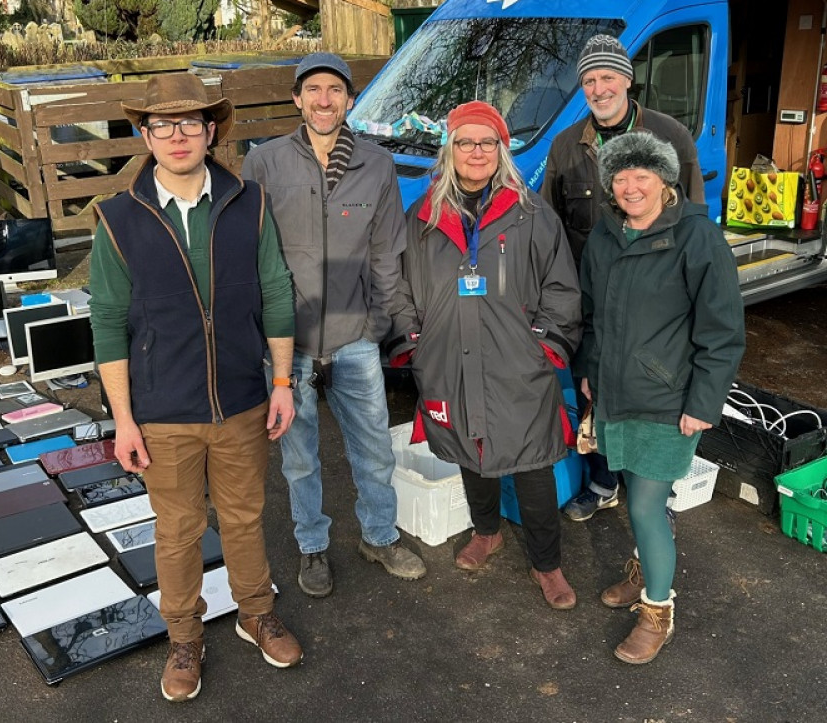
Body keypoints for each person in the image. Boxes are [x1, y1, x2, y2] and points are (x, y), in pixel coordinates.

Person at [89, 72, 302, 702]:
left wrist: (283, 382)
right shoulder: (118, 218)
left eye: (190, 124)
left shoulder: (249, 202)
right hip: (162, 410)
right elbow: (106, 320)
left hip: (241, 399)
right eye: (163, 125)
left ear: (212, 132)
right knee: (177, 529)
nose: (177, 136)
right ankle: (184, 636)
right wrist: (123, 419)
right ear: (145, 135)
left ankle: (254, 612)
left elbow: (276, 294)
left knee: (244, 516)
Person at [241, 52, 426, 598]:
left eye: (335, 91)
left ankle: (379, 535)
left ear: (349, 100)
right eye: (313, 89)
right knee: (299, 458)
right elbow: (248, 252)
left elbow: (386, 253)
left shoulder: (376, 164)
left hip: (353, 338)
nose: (325, 100)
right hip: (287, 343)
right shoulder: (266, 163)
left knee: (372, 448)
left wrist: (377, 325)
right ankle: (312, 547)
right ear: (297, 99)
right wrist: (261, 331)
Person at [390, 100, 582, 610]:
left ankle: (548, 565)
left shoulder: (532, 213)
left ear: (502, 149)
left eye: (487, 142)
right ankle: (487, 532)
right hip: (450, 357)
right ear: (449, 151)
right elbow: (398, 286)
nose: (476, 152)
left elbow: (562, 289)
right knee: (469, 448)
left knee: (533, 462)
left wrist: (544, 346)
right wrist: (416, 343)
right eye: (465, 142)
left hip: (518, 362)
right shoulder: (424, 215)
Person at [577, 130, 744, 663]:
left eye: (641, 174)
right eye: (620, 176)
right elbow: (590, 316)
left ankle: (657, 610)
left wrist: (703, 402)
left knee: (648, 504)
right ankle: (645, 567)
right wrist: (588, 372)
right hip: (614, 390)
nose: (630, 186)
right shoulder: (605, 237)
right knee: (629, 489)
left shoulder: (698, 237)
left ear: (665, 179)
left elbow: (722, 331)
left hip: (669, 398)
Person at [542, 33, 706, 523]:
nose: (598, 88)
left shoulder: (670, 135)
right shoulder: (566, 146)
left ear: (627, 80)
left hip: (654, 297)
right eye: (589, 80)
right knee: (592, 386)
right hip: (587, 298)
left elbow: (694, 219)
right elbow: (551, 229)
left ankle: (652, 487)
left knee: (651, 387)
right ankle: (601, 479)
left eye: (607, 76)